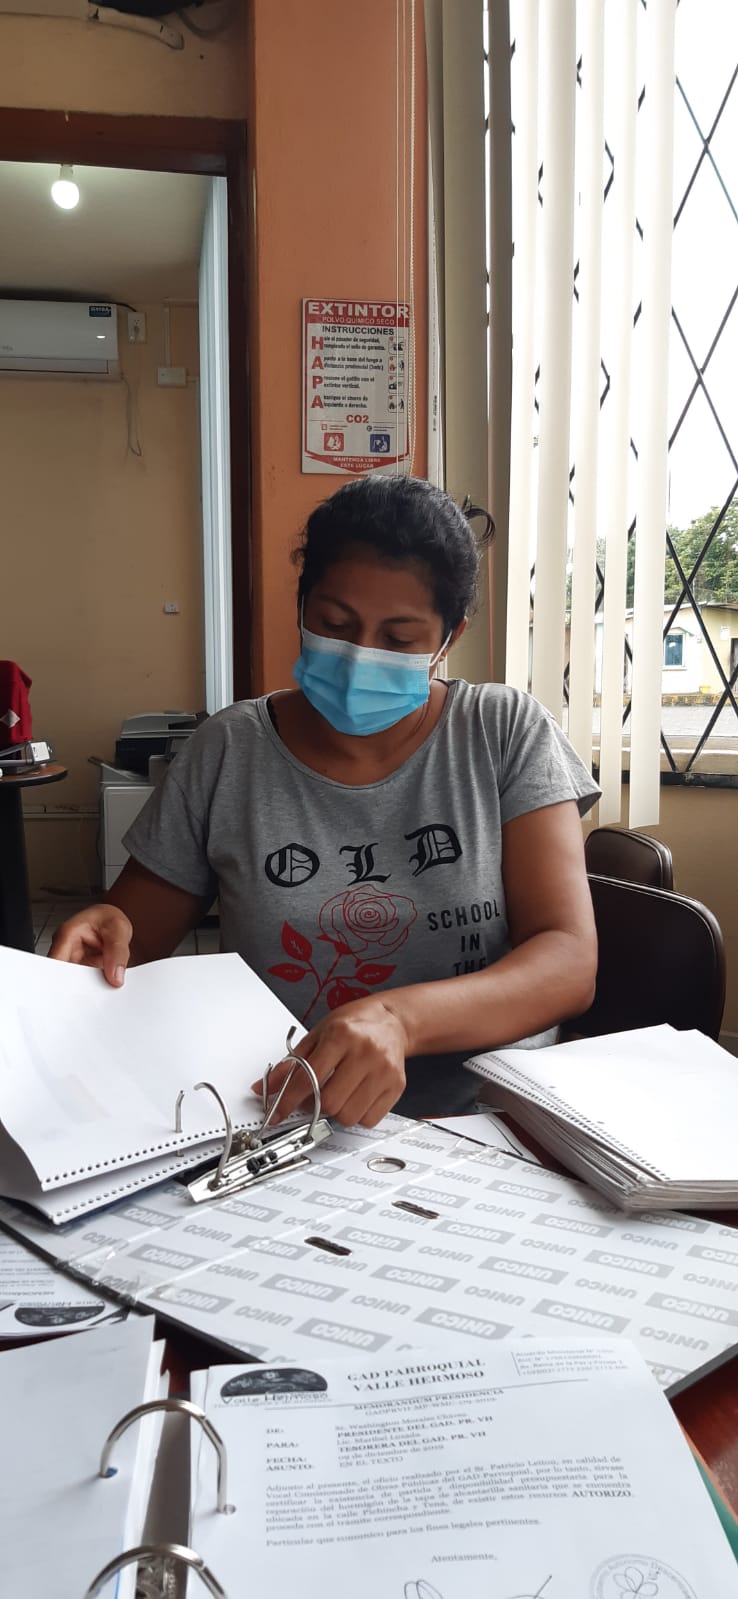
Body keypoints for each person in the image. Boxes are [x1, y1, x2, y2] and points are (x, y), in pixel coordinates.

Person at [51, 475, 599, 1123]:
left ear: (449, 639)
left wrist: (400, 1019)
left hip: (484, 1118)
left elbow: (567, 959)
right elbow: (130, 943)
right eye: (335, 624)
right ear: (302, 607)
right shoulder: (229, 750)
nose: (360, 656)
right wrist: (105, 937)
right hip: (287, 1118)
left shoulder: (502, 731)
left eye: (398, 639)